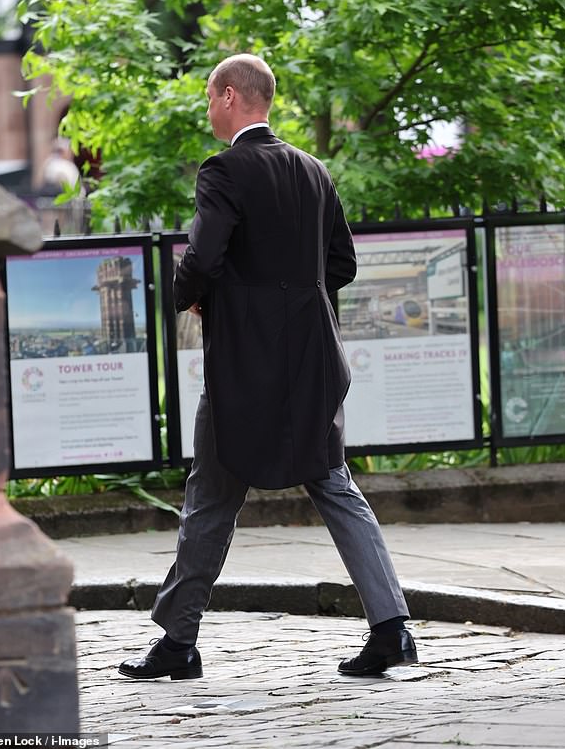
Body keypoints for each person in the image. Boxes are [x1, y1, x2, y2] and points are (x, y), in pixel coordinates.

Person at [119, 53, 417, 681]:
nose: (207, 109)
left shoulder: (223, 171)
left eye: (209, 97)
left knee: (211, 496)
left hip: (242, 365)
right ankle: (392, 629)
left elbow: (201, 258)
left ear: (230, 96)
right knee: (334, 483)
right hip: (311, 360)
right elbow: (342, 265)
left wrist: (200, 296)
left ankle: (177, 643)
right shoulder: (314, 170)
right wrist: (294, 304)